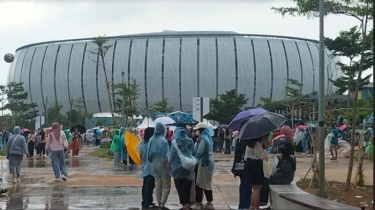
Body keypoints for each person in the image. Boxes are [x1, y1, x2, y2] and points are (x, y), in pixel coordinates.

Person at [260, 140, 296, 204]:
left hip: (285, 179)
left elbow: (285, 170)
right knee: (264, 179)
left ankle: (263, 201)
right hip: (283, 177)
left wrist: (279, 163)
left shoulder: (289, 159)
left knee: (265, 181)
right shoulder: (286, 157)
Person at [170, 124, 195, 210]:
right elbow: (193, 153)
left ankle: (184, 205)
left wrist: (170, 165)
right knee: (187, 186)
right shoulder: (190, 141)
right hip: (188, 168)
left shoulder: (175, 141)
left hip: (177, 168)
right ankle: (187, 204)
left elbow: (172, 155)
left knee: (180, 187)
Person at [147, 123, 171, 210]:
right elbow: (165, 155)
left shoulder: (151, 139)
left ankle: (158, 202)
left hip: (154, 163)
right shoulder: (163, 141)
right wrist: (168, 165)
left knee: (158, 184)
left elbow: (148, 153)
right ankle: (162, 204)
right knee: (166, 184)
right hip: (162, 163)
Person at [192, 123, 215, 210]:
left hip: (203, 164)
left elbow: (198, 153)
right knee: (206, 183)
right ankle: (209, 203)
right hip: (208, 163)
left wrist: (196, 144)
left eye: (197, 130)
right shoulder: (209, 138)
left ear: (201, 130)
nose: (196, 131)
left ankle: (199, 204)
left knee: (200, 184)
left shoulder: (202, 140)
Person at [243, 134, 269, 210]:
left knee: (254, 188)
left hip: (249, 165)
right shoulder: (256, 144)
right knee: (257, 188)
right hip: (255, 165)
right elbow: (262, 157)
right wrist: (265, 147)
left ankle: (252, 206)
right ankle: (256, 207)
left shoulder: (249, 144)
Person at [139, 127, 157, 210]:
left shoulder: (143, 143)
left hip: (145, 167)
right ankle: (148, 203)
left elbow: (141, 156)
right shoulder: (150, 143)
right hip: (150, 168)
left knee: (145, 185)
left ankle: (145, 202)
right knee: (149, 186)